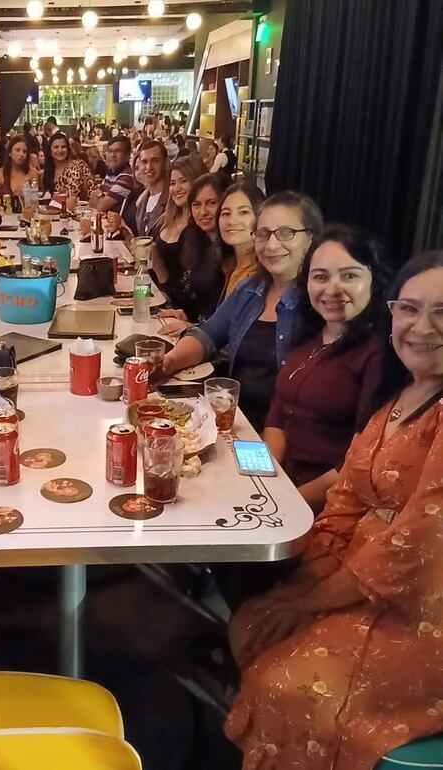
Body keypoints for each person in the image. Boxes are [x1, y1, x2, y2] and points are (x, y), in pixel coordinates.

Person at [226, 250, 443, 770]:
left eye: (442, 312)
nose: (422, 327)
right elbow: (348, 493)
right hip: (356, 573)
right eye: (409, 309)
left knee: (285, 682)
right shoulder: (401, 393)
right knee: (252, 623)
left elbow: (416, 542)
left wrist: (312, 598)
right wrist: (315, 571)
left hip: (418, 605)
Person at [160, 192, 324, 432]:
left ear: (310, 238)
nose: (271, 245)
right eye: (263, 234)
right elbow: (207, 335)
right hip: (234, 419)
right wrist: (169, 361)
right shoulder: (248, 290)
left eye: (285, 233)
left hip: (283, 434)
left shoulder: (319, 302)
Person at [263, 225, 390, 510]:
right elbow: (279, 411)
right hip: (281, 482)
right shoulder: (311, 332)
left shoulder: (379, 353)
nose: (332, 289)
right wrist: (265, 476)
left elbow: (359, 459)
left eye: (349, 276)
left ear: (374, 280)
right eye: (320, 276)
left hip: (324, 501)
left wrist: (287, 502)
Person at [152, 167, 226, 326]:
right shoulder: (197, 241)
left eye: (212, 203)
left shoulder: (232, 253)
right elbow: (185, 299)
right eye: (197, 204)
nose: (203, 212)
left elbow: (228, 326)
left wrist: (192, 326)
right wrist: (183, 314)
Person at [217, 181, 267, 298]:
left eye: (243, 212)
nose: (231, 221)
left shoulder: (261, 275)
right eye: (226, 213)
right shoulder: (229, 266)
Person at [88, 135, 136, 215]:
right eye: (110, 151)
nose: (112, 155)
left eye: (118, 151)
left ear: (127, 155)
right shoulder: (111, 173)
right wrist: (101, 197)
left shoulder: (127, 177)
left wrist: (99, 195)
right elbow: (91, 202)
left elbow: (100, 207)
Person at [43, 131, 94, 202]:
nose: (60, 150)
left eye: (63, 147)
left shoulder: (79, 166)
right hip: (54, 208)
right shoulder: (48, 171)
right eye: (56, 147)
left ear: (68, 149)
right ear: (50, 150)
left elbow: (92, 191)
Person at [134, 140, 169, 236]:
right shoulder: (142, 202)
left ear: (166, 163)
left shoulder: (172, 200)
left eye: (155, 161)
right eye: (144, 162)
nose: (149, 167)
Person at [0, 135, 40, 203]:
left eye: (24, 151)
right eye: (17, 150)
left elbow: (35, 201)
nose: (21, 154)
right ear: (10, 152)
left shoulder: (33, 173)